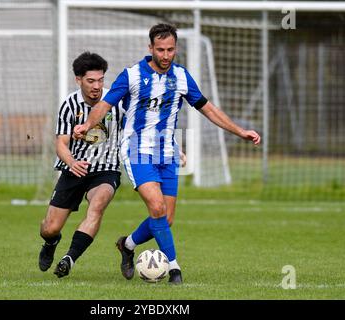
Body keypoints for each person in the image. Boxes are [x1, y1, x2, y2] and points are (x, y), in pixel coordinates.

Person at [74, 23, 261, 284]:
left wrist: (239, 131)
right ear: (150, 48)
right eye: (160, 50)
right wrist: (87, 125)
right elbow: (103, 106)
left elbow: (208, 108)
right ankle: (174, 268)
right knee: (157, 206)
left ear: (176, 49)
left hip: (167, 152)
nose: (165, 55)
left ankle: (127, 245)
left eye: (170, 50)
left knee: (166, 218)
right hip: (137, 149)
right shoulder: (132, 75)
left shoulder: (182, 77)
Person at [38, 52, 124, 278]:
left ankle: (70, 258)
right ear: (78, 80)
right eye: (91, 81)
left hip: (106, 170)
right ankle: (51, 242)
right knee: (50, 228)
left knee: (97, 206)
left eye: (101, 80)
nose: (97, 86)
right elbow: (61, 144)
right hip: (74, 169)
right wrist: (72, 162)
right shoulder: (69, 105)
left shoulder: (116, 103)